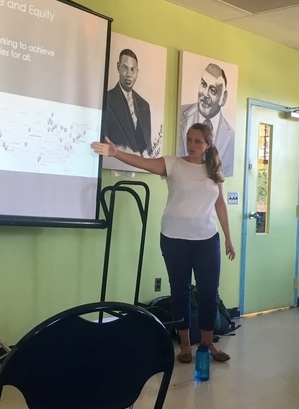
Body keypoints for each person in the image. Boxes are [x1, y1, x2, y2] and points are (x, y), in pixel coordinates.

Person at [91, 123, 236, 363]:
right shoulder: (173, 164)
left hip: (207, 239)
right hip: (174, 238)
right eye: (189, 139)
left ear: (208, 145)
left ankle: (208, 343)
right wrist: (116, 153)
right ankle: (186, 345)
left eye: (197, 141)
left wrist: (228, 238)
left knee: (209, 293)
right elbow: (143, 163)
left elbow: (220, 204)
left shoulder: (213, 170)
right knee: (180, 291)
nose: (191, 145)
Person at [178, 63, 235, 176]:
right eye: (203, 85)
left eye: (213, 90)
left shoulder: (231, 136)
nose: (205, 94)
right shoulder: (181, 114)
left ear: (223, 98)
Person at [104, 49, 152, 155]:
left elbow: (148, 148)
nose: (129, 74)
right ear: (118, 67)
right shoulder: (106, 100)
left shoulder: (144, 105)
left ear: (137, 72)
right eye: (125, 68)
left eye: (132, 69)